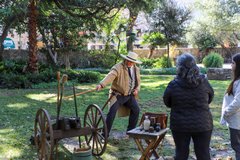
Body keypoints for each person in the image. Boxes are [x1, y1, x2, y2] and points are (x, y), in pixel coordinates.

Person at [163, 53, 214, 160]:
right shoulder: (204, 81)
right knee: (203, 154)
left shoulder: (173, 84)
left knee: (181, 154)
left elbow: (167, 102)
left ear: (179, 67)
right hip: (203, 123)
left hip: (180, 124)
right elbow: (210, 98)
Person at [96, 51, 142, 137]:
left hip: (129, 96)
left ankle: (130, 132)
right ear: (125, 59)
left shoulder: (136, 69)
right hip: (117, 95)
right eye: (128, 60)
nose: (129, 62)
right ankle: (104, 134)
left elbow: (138, 82)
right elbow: (110, 76)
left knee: (136, 110)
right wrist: (101, 84)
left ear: (134, 62)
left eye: (131, 61)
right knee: (111, 113)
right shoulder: (118, 67)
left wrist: (136, 89)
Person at [220, 53, 240, 160]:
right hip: (235, 121)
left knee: (238, 147)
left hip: (237, 122)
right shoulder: (237, 81)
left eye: (233, 63)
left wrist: (226, 112)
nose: (231, 65)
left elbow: (238, 102)